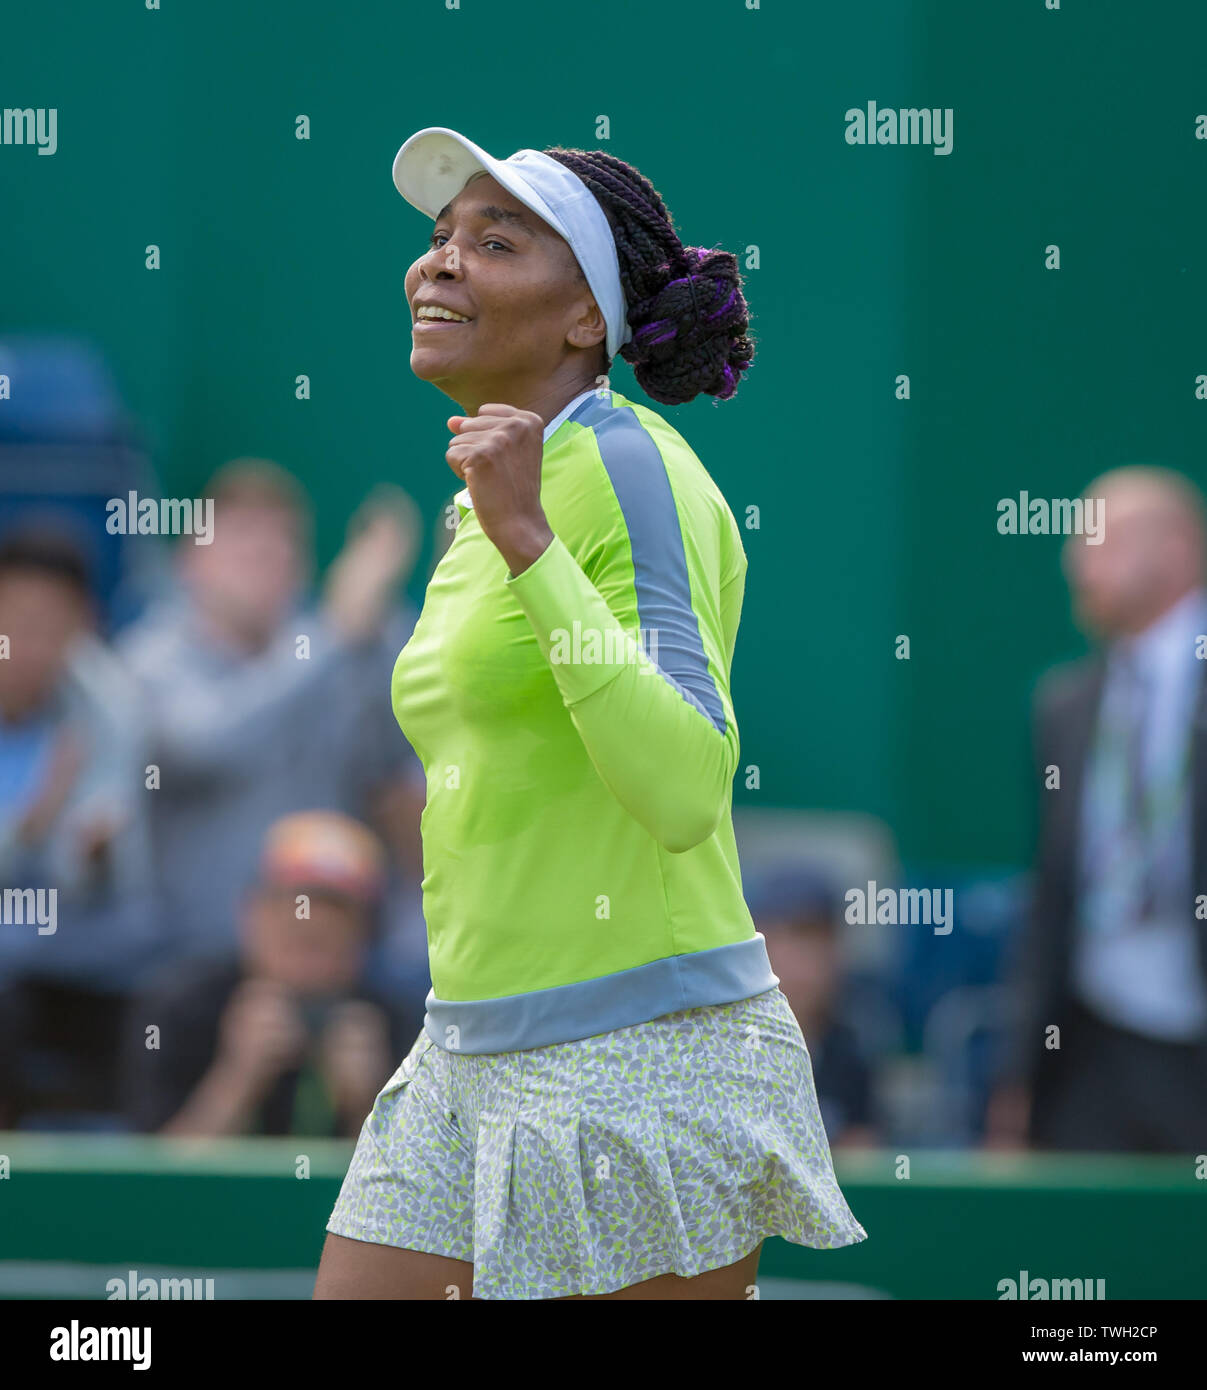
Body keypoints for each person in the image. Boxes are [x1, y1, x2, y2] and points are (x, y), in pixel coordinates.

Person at [315, 128, 866, 1302]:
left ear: (583, 321)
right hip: (463, 1045)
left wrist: (528, 539)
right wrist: (508, 520)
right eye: (437, 240)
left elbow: (681, 784)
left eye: (493, 242)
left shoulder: (627, 470)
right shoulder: (489, 488)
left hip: (640, 1056)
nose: (439, 265)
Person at [117, 459, 425, 969]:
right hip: (195, 964)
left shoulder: (327, 648)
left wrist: (378, 635)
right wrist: (336, 632)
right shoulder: (147, 659)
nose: (266, 556)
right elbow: (203, 744)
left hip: (338, 964)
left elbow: (397, 759)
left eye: (284, 543)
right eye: (243, 539)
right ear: (189, 560)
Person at [988, 466, 1207, 1152]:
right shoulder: (1063, 705)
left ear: (1173, 551)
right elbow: (1049, 894)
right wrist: (1017, 1073)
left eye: (1098, 540)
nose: (1073, 560)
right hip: (1088, 1053)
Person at [122, 810, 412, 1138]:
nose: (314, 919)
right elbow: (154, 1180)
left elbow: (413, 1184)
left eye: (327, 939)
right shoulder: (181, 1008)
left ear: (364, 935)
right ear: (251, 915)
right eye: (295, 937)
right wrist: (236, 1079)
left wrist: (366, 1104)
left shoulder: (395, 1025)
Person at [0, 529, 156, 1126]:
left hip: (77, 939)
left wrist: (88, 851)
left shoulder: (107, 705)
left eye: (54, 625)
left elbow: (104, 863)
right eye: (20, 621)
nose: (35, 644)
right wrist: (37, 818)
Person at [750, 865, 879, 1150]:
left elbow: (866, 1155)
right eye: (784, 939)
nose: (801, 963)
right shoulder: (728, 1048)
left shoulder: (852, 1055)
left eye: (814, 940)